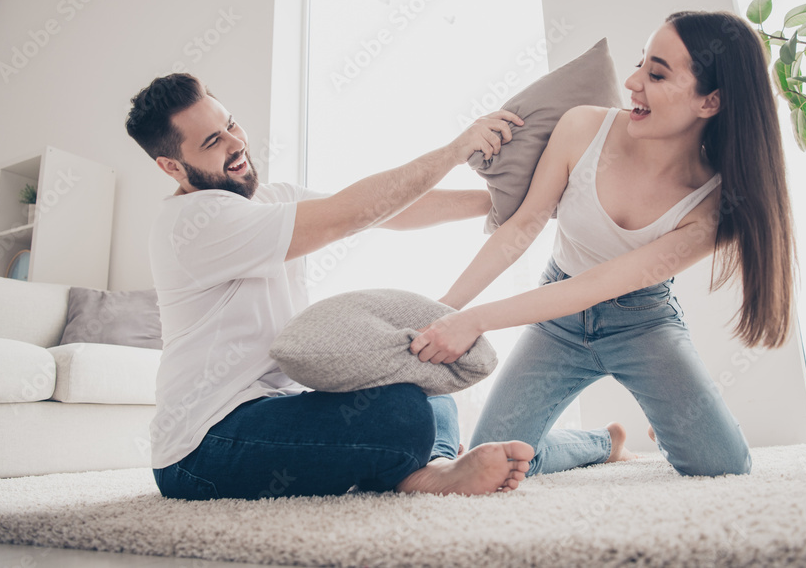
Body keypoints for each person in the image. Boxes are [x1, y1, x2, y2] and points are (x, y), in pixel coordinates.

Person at [408, 10, 796, 478]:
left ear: (709, 102)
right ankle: (603, 443)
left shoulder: (715, 206)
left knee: (722, 465)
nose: (633, 82)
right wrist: (446, 309)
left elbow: (600, 283)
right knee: (498, 460)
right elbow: (523, 226)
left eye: (656, 74)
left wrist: (474, 321)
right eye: (640, 63)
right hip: (557, 320)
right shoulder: (582, 127)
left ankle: (671, 423)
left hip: (643, 323)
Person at [125, 73, 534, 499]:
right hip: (203, 447)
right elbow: (349, 213)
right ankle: (422, 464)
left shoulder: (270, 198)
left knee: (430, 388)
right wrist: (454, 151)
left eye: (231, 124)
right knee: (401, 413)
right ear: (171, 166)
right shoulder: (193, 224)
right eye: (213, 142)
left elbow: (387, 211)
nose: (236, 142)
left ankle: (430, 468)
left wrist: (498, 203)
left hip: (275, 408)